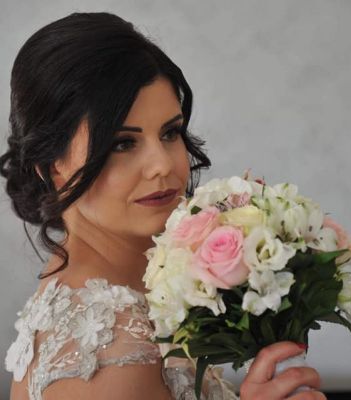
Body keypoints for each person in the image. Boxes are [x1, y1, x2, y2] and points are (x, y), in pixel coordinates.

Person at [0, 12, 327, 400]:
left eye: (170, 132)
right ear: (51, 165)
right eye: (123, 143)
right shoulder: (111, 360)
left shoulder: (117, 294)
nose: (163, 165)